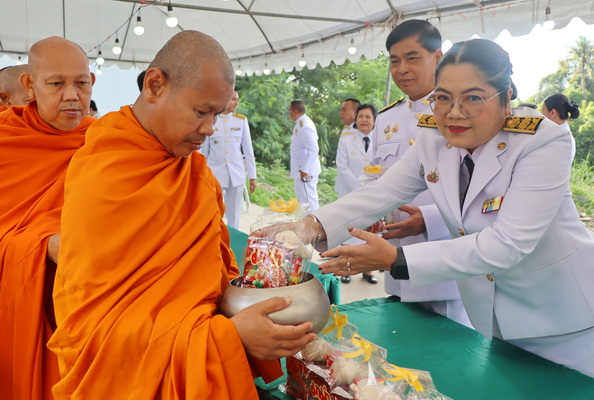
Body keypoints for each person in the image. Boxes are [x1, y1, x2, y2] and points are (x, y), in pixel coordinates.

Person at [265, 38, 594, 377]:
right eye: (443, 98)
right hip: (496, 322)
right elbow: (384, 190)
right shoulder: (434, 137)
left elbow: (508, 242)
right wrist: (309, 226)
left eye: (473, 98)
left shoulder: (541, 140)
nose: (454, 112)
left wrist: (397, 260)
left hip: (566, 321)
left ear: (506, 97)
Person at [48, 31, 317, 399]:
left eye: (217, 115)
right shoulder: (104, 171)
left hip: (193, 363)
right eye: (201, 111)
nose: (208, 129)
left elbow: (214, 276)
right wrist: (228, 337)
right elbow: (97, 326)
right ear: (155, 85)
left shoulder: (196, 175)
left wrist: (254, 302)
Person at [0, 36, 96, 399]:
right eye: (56, 84)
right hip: (20, 306)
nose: (72, 96)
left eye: (81, 83)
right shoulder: (5, 142)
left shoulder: (106, 143)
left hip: (89, 307)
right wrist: (43, 245)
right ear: (29, 85)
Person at [370, 19, 467, 325]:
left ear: (438, 57)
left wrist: (429, 219)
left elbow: (479, 190)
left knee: (450, 346)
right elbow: (374, 177)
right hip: (395, 261)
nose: (402, 69)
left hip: (444, 264)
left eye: (412, 58)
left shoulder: (461, 113)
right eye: (394, 61)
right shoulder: (387, 119)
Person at [201, 90, 257, 229]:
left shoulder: (241, 121)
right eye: (233, 99)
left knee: (235, 215)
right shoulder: (211, 120)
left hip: (236, 174)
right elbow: (204, 152)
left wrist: (252, 177)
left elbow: (248, 151)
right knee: (214, 212)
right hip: (215, 174)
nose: (236, 103)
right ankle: (214, 237)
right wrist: (202, 175)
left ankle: (232, 239)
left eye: (237, 99)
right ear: (224, 99)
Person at [335, 104, 378, 284]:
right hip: (350, 192)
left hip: (375, 193)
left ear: (374, 120)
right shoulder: (346, 139)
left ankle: (369, 270)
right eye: (360, 116)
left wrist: (373, 188)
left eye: (368, 117)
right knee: (348, 232)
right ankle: (346, 268)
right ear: (355, 119)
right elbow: (342, 167)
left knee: (371, 232)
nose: (364, 120)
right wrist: (359, 188)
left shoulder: (381, 139)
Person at [289, 99, 321, 211]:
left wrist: (305, 169)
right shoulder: (300, 124)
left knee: (309, 202)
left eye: (290, 110)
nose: (289, 113)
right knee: (303, 201)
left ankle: (314, 221)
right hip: (301, 171)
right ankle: (307, 221)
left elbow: (313, 149)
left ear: (295, 111)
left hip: (306, 172)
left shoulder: (305, 126)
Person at [334, 97, 361, 198]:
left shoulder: (360, 132)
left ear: (355, 113)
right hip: (345, 187)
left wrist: (357, 189)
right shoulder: (347, 130)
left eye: (344, 110)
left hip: (356, 188)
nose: (340, 113)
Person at [542, 93, 580, 161]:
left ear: (553, 113)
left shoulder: (562, 138)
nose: (541, 117)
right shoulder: (559, 134)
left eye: (543, 113)